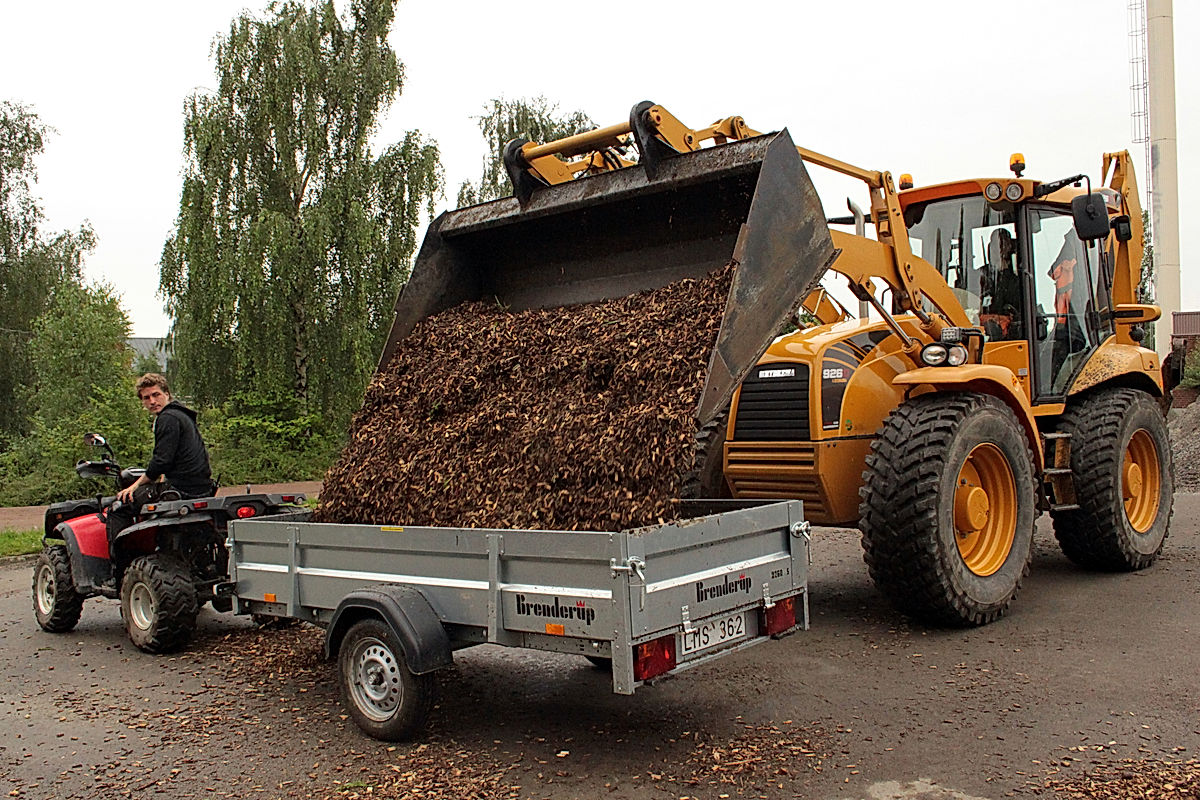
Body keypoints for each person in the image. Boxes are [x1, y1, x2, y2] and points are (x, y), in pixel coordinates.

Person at [109, 374, 214, 539]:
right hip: (202, 486)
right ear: (142, 401)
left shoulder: (167, 418)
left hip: (182, 489)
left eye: (156, 395)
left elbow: (161, 462)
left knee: (119, 507)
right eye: (146, 398)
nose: (152, 401)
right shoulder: (182, 414)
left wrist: (134, 486)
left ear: (167, 394)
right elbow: (171, 459)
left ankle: (118, 561)